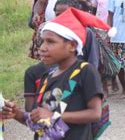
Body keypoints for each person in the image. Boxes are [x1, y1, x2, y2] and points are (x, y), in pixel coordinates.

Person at [2, 8, 107, 140]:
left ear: (72, 46)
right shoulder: (47, 77)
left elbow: (94, 113)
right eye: (42, 41)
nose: (42, 48)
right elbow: (41, 119)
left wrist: (54, 116)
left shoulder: (85, 71)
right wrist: (16, 114)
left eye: (50, 42)